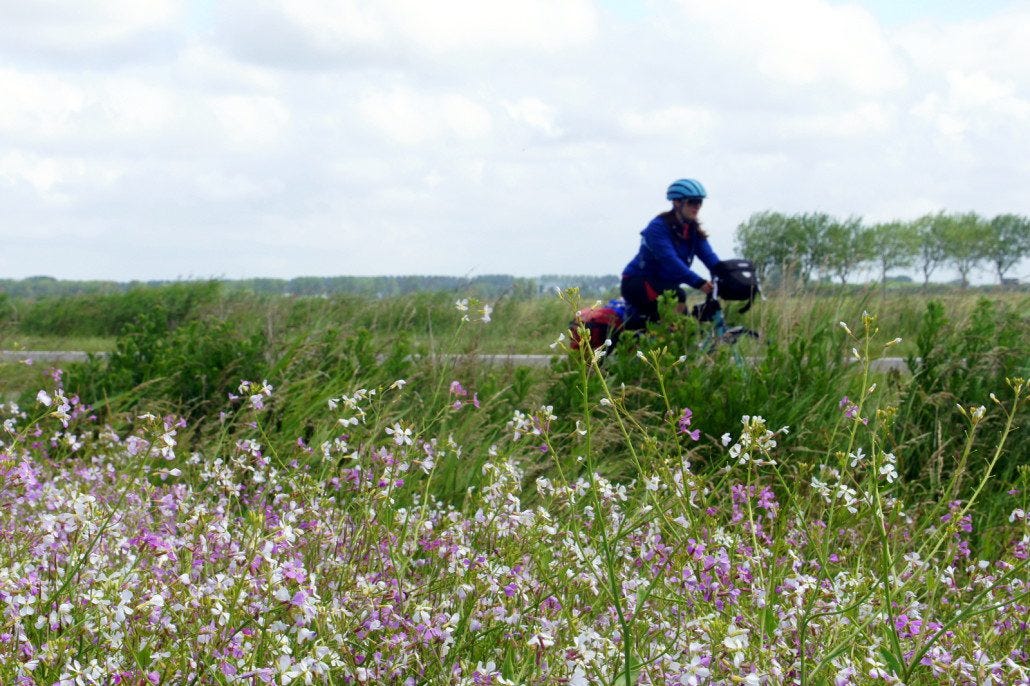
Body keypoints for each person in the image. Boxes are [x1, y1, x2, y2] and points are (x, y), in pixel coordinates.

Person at [621, 178, 721, 328]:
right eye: (692, 202)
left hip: (664, 286)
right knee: (678, 299)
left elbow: (710, 258)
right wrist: (699, 282)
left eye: (700, 202)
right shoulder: (658, 227)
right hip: (637, 283)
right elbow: (670, 261)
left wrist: (726, 274)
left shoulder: (692, 230)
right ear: (677, 202)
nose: (697, 206)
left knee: (689, 326)